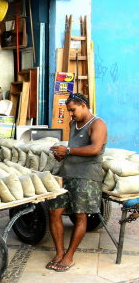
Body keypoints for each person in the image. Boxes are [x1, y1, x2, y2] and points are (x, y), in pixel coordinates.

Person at [47, 93, 107, 272]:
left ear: (83, 105)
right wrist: (60, 155)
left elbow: (95, 149)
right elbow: (72, 150)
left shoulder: (97, 124)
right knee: (54, 212)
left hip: (87, 177)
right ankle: (59, 253)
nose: (71, 114)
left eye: (73, 110)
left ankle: (69, 256)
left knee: (80, 216)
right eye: (69, 111)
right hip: (67, 174)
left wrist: (68, 150)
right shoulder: (73, 123)